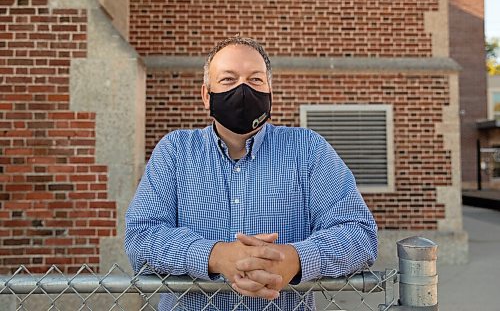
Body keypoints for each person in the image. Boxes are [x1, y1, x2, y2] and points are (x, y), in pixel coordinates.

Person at [124, 37, 378, 310]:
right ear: (206, 96)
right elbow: (141, 236)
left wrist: (296, 259)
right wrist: (214, 256)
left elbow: (359, 233)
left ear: (270, 91)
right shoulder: (174, 152)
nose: (243, 89)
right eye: (228, 80)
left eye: (255, 80)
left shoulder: (308, 149)